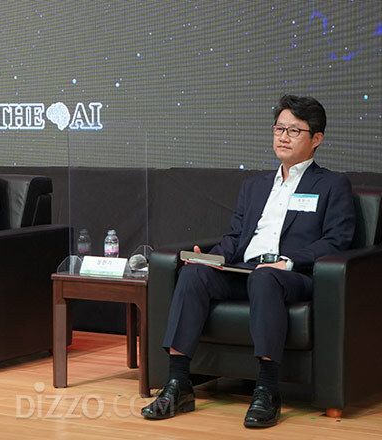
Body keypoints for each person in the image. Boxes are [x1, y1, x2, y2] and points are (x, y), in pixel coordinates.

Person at [141, 95, 355, 427]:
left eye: (294, 131)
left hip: (291, 276)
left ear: (316, 139)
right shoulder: (255, 186)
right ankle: (178, 383)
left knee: (265, 277)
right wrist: (213, 257)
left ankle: (267, 390)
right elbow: (236, 238)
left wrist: (286, 262)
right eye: (279, 129)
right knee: (194, 274)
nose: (283, 137)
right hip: (245, 271)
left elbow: (336, 240)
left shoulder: (331, 185)